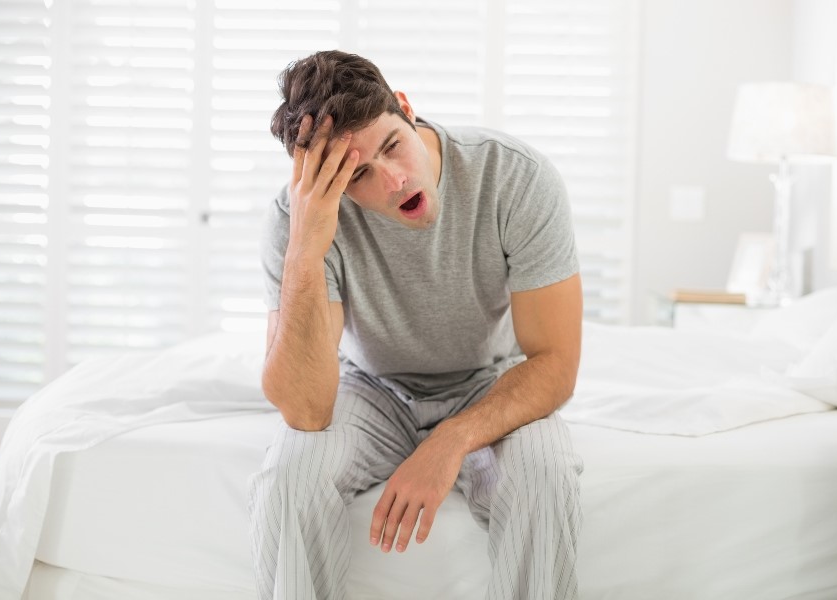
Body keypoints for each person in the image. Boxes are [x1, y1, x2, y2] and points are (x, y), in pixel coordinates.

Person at [249, 49, 585, 600]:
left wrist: (451, 440)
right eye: (358, 174)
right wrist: (306, 249)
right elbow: (305, 410)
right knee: (290, 477)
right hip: (370, 387)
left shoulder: (515, 177)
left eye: (391, 146)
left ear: (405, 109)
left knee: (544, 476)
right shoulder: (297, 217)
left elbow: (556, 364)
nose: (395, 180)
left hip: (489, 381)